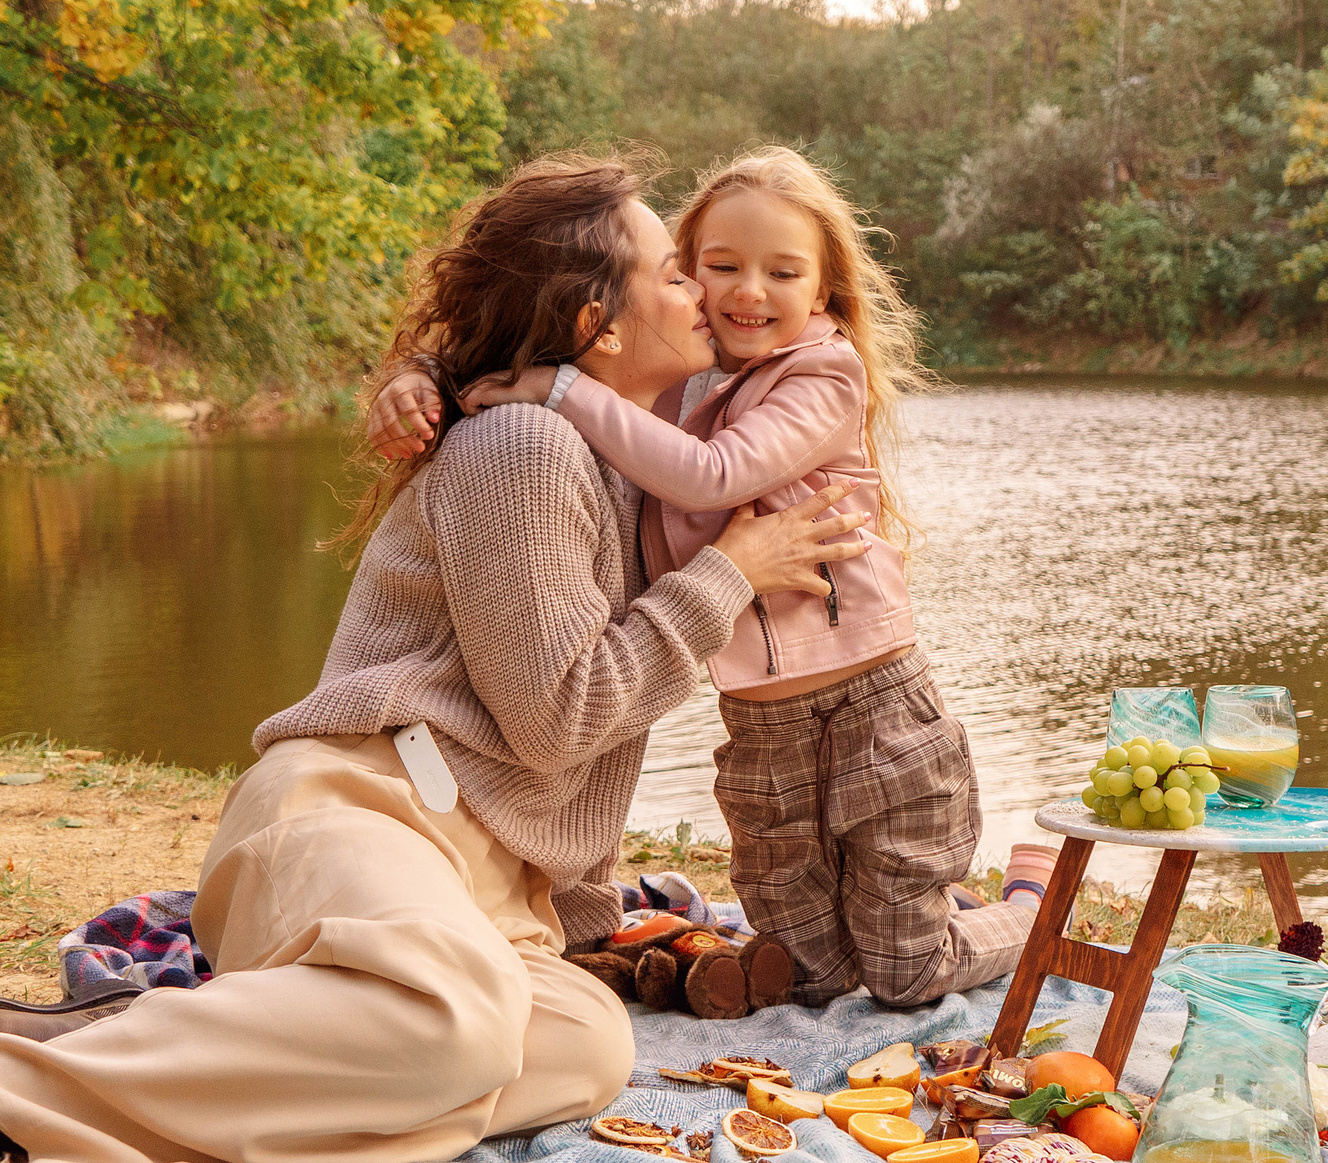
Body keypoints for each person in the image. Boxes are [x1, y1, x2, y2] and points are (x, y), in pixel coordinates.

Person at [0, 154, 867, 1163]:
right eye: (677, 274)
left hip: (483, 891)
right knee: (455, 1037)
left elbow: (736, 395)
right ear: (598, 322)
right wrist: (729, 575)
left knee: (584, 1049)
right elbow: (555, 723)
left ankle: (129, 1036)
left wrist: (421, 373)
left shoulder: (629, 453)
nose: (705, 289)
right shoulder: (524, 443)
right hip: (365, 808)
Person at [369, 147, 1058, 1010]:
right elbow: (535, 334)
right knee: (810, 969)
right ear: (680, 280)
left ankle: (1031, 913)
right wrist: (424, 377)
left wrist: (556, 391)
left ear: (825, 291)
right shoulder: (675, 384)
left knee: (906, 967)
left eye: (782, 272)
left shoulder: (819, 373)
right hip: (762, 722)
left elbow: (709, 473)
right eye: (711, 268)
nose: (739, 293)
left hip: (871, 706)